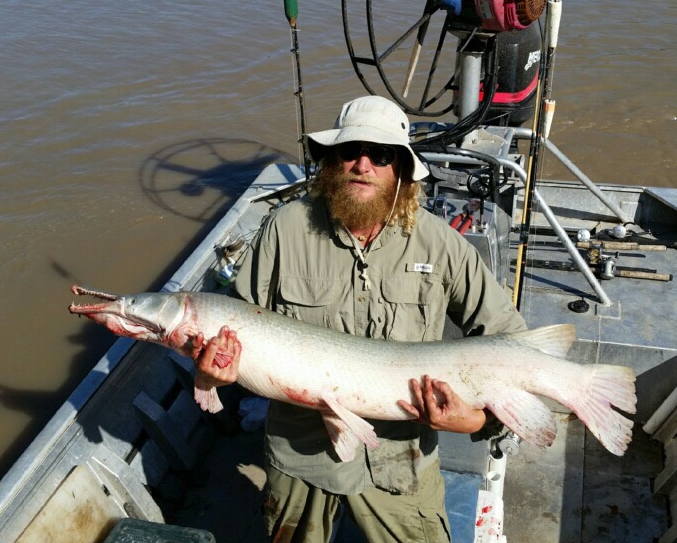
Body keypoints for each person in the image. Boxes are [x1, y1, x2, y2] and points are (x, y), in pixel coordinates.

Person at [192, 95, 527, 543]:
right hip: (301, 457)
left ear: (402, 170)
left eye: (381, 154)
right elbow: (235, 328)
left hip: (400, 461)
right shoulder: (283, 229)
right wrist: (212, 374)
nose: (363, 165)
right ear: (332, 161)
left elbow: (512, 344)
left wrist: (473, 422)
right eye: (350, 151)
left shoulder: (441, 244)